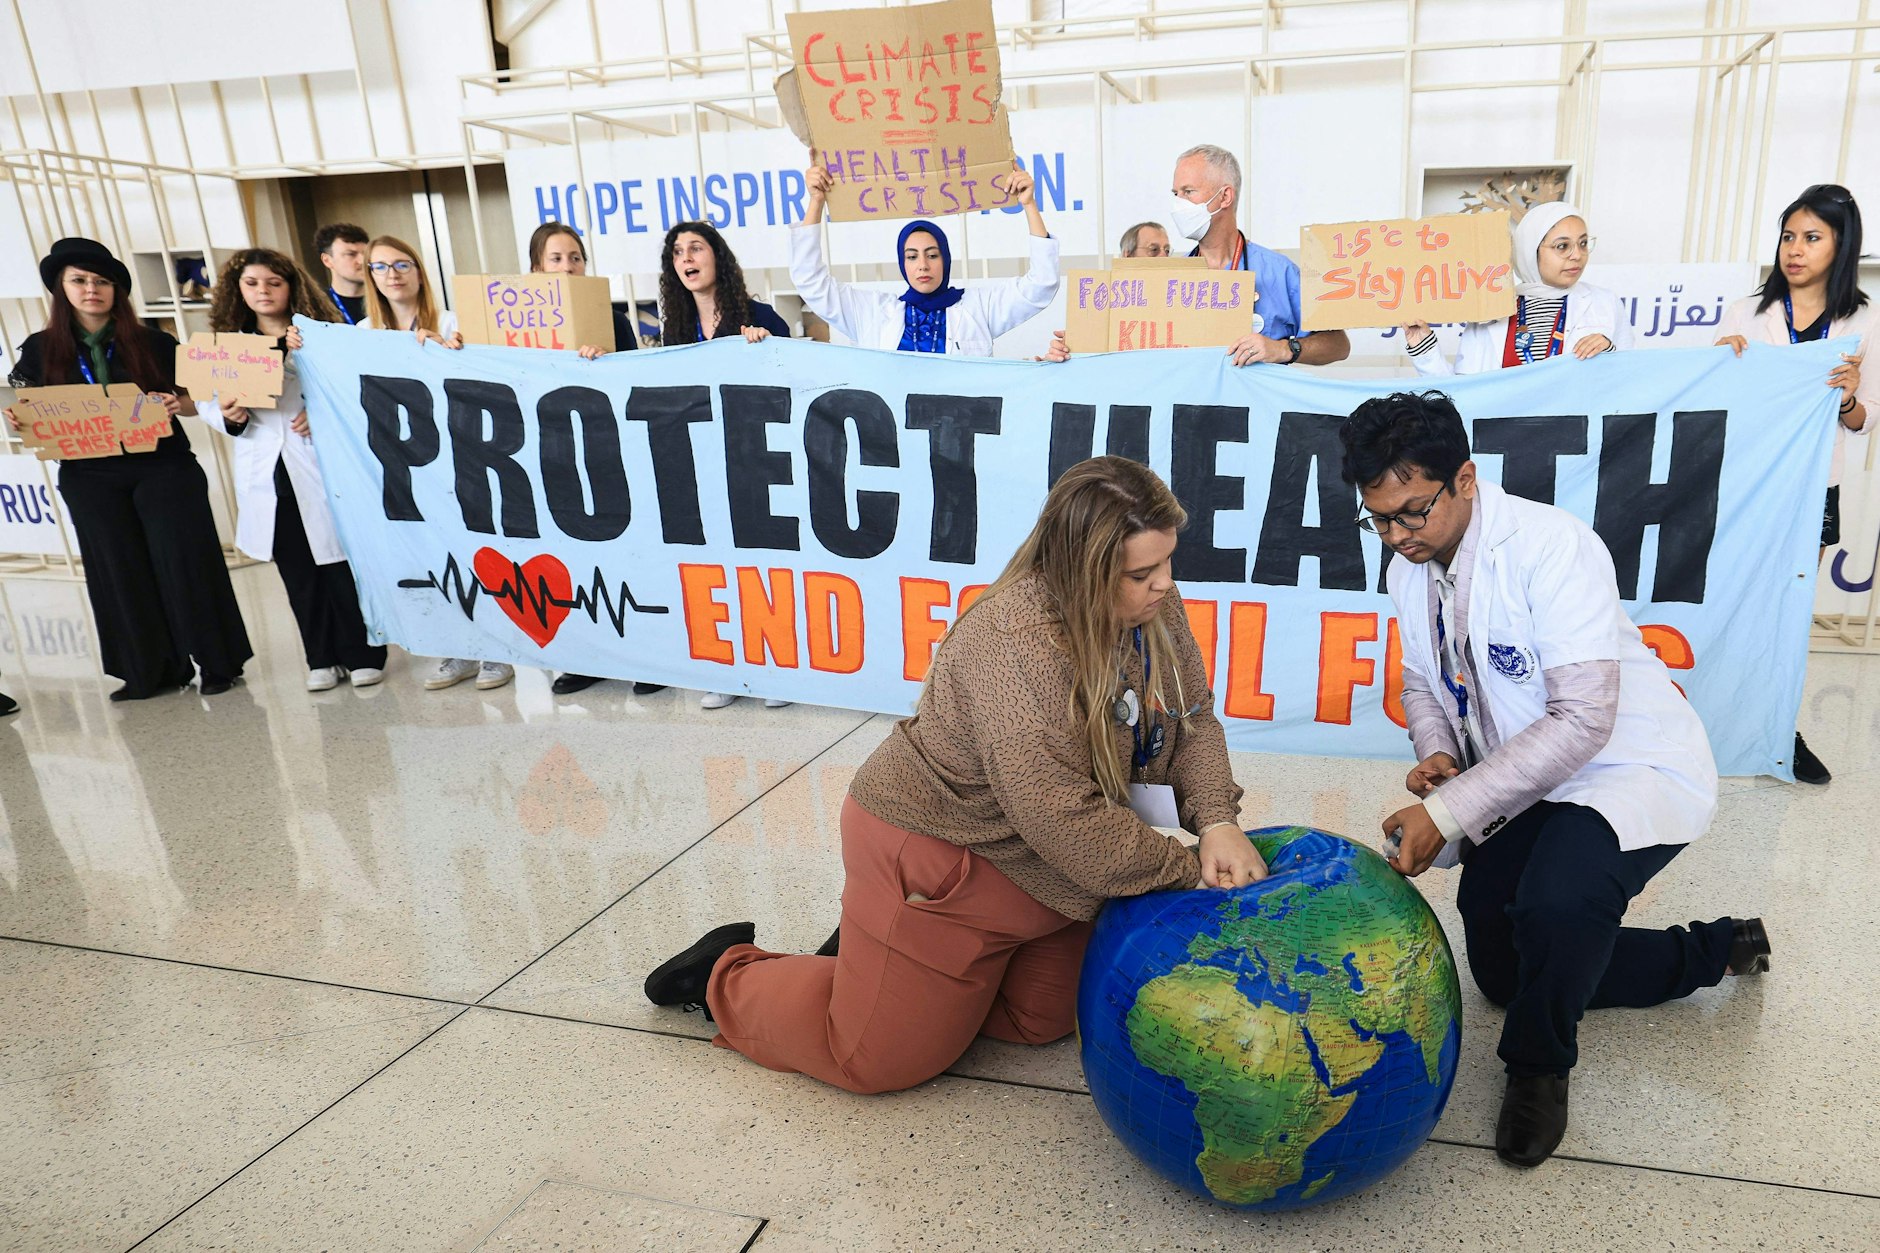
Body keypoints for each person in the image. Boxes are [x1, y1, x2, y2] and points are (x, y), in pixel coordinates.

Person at [643, 456, 1267, 1094]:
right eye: (1142, 573)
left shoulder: (1150, 605)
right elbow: (1059, 815)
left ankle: (886, 964)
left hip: (1053, 861)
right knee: (877, 1061)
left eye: (1167, 562)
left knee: (1040, 1021)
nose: (1165, 584)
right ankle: (727, 973)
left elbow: (1192, 716)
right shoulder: (1012, 643)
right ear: (1083, 570)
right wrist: (1187, 868)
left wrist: (1217, 821)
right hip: (947, 850)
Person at [1338, 390, 1768, 1170]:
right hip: (1527, 775)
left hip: (1624, 767)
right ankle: (1717, 949)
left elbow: (1583, 720)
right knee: (1504, 967)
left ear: (1465, 479)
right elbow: (1422, 677)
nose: (1398, 536)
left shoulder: (1553, 547)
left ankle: (1538, 1069)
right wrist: (1439, 751)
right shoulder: (1410, 568)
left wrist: (1449, 809)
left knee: (1558, 905)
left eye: (1412, 512)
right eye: (1380, 520)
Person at [3, 237, 250, 700]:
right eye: (79, 280)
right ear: (61, 289)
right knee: (118, 570)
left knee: (187, 562)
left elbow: (197, 401)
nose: (91, 289)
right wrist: (18, 419)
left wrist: (177, 403)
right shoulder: (39, 349)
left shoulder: (156, 341)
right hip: (89, 475)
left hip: (163, 467)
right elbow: (28, 407)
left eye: (102, 281)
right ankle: (149, 671)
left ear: (117, 290)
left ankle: (218, 662)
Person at [1716, 183, 1876, 785]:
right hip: (1744, 483)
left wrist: (1848, 397)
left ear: (1841, 246)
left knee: (1787, 611)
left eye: (1812, 238)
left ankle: (1780, 729)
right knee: (1730, 602)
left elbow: (1864, 421)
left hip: (1812, 486)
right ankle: (1712, 718)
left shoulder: (1864, 320)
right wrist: (1718, 364)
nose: (1796, 250)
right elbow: (1714, 406)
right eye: (1788, 236)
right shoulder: (1745, 313)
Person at [204, 248, 387, 692]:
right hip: (269, 472)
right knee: (298, 573)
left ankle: (363, 653)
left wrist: (320, 411)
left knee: (341, 566)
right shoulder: (228, 347)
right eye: (252, 283)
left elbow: (357, 391)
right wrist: (229, 415)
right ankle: (320, 658)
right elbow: (210, 403)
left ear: (292, 287)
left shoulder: (320, 336)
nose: (263, 291)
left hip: (319, 462)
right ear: (238, 291)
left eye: (274, 282)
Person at [521, 221, 664, 700]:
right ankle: (589, 658)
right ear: (536, 268)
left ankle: (646, 657)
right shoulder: (514, 327)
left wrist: (606, 364)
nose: (568, 267)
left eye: (575, 257)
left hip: (606, 455)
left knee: (623, 558)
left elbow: (635, 383)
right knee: (570, 560)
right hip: (549, 457)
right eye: (556, 258)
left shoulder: (612, 318)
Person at [1045, 145, 1351, 366]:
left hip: (1256, 422)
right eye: (1175, 193)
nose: (1178, 204)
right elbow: (1129, 345)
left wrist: (1283, 349)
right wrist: (1080, 344)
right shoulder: (1168, 278)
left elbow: (1338, 344)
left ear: (1225, 196)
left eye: (1188, 192)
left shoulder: (1279, 272)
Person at [656, 219, 792, 710]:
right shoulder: (673, 330)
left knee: (764, 567)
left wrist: (768, 347)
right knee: (715, 569)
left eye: (695, 248)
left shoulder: (760, 315)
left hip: (757, 462)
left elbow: (793, 378)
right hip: (702, 465)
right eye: (677, 253)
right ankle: (729, 668)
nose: (686, 258)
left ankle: (777, 668)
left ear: (718, 257)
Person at [363, 235, 505, 692]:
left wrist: (450, 350)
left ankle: (497, 651)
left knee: (473, 550)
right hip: (402, 464)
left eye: (401, 264)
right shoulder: (361, 334)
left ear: (419, 271)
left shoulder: (452, 321)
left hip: (459, 456)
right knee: (428, 555)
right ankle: (455, 649)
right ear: (370, 277)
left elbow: (482, 374)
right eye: (380, 267)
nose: (392, 274)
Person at [790, 160, 1059, 356]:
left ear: (946, 260)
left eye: (932, 255)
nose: (923, 265)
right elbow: (811, 282)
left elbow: (1041, 284)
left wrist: (1029, 204)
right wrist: (816, 202)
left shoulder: (979, 308)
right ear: (902, 264)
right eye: (912, 257)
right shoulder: (873, 313)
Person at [1405, 202, 1628, 374]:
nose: (1577, 255)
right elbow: (1462, 393)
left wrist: (1610, 354)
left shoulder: (1605, 303)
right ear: (1530, 250)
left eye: (1583, 243)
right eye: (1562, 246)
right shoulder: (1492, 307)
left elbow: (1631, 381)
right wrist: (1423, 346)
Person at [313, 223, 370, 327]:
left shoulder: (388, 298)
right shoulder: (315, 307)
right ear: (327, 260)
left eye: (366, 254)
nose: (362, 261)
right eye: (351, 254)